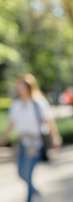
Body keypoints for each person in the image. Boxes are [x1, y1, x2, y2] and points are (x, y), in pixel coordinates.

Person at [0, 73, 62, 202]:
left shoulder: (39, 103)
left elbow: (49, 121)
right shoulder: (16, 104)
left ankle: (29, 198)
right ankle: (35, 191)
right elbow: (11, 123)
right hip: (21, 143)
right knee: (20, 173)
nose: (19, 88)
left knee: (28, 174)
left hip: (35, 144)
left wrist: (55, 136)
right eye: (18, 85)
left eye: (21, 85)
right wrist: (4, 137)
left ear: (29, 87)